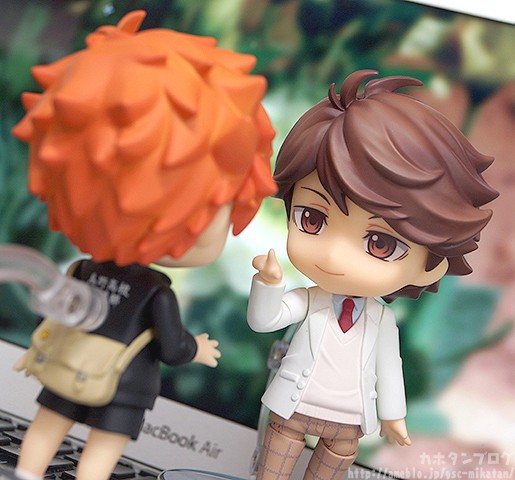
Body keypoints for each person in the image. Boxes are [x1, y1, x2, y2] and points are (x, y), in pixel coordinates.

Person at [11, 10, 276, 480]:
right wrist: (198, 349)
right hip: (123, 388)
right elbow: (171, 346)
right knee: (102, 449)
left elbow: (52, 312)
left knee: (47, 424)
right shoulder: (156, 292)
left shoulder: (82, 270)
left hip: (66, 366)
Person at [247, 69, 498, 480]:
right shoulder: (309, 300)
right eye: (312, 219)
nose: (334, 255)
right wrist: (269, 284)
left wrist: (393, 416)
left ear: (430, 264)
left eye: (380, 243)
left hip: (347, 422)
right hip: (292, 409)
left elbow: (389, 367)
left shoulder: (381, 320)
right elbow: (265, 320)